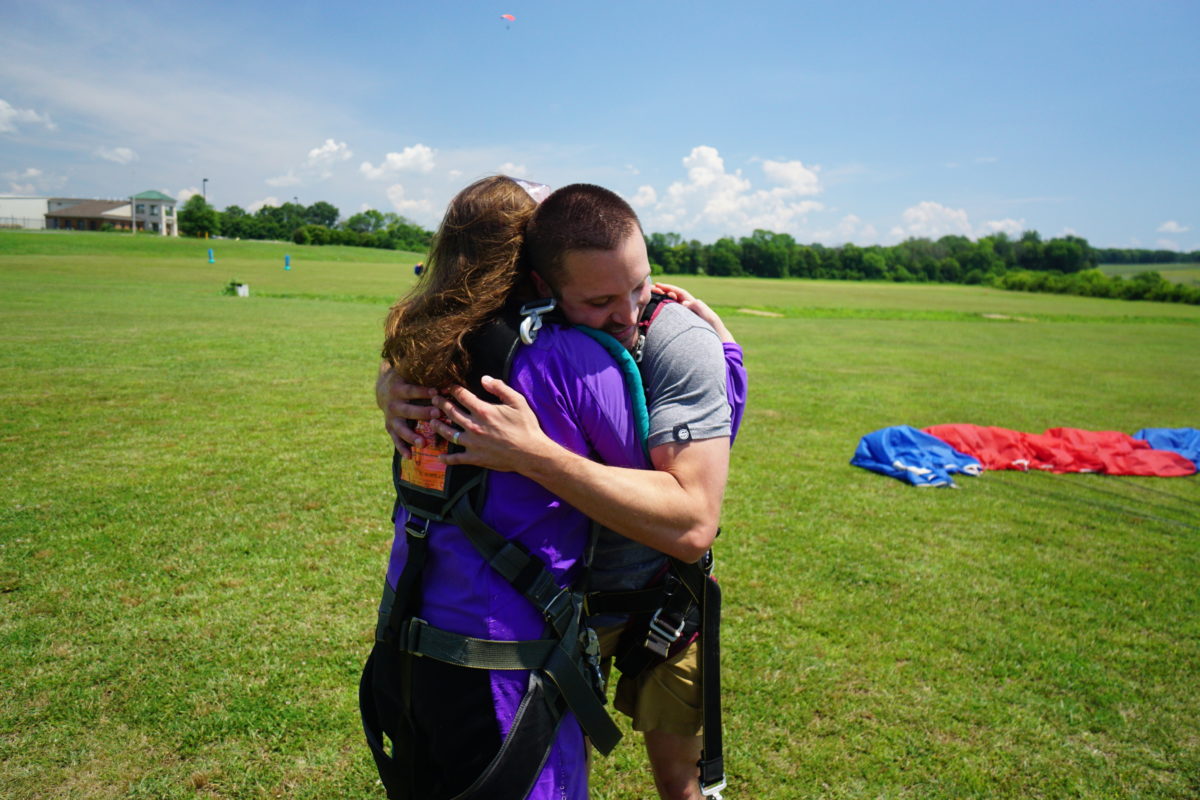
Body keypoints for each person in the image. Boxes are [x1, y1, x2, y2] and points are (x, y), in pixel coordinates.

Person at [378, 184, 747, 800]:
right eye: (602, 299)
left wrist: (723, 356)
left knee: (678, 779)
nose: (631, 314)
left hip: (634, 596)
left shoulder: (425, 346)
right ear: (539, 280)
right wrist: (389, 381)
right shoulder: (563, 356)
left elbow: (690, 514)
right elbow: (673, 499)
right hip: (535, 627)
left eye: (640, 286)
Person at [360, 176, 651, 800]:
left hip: (403, 647)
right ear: (536, 264)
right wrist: (725, 355)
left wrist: (385, 382)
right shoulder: (571, 359)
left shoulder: (415, 350)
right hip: (507, 671)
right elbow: (654, 480)